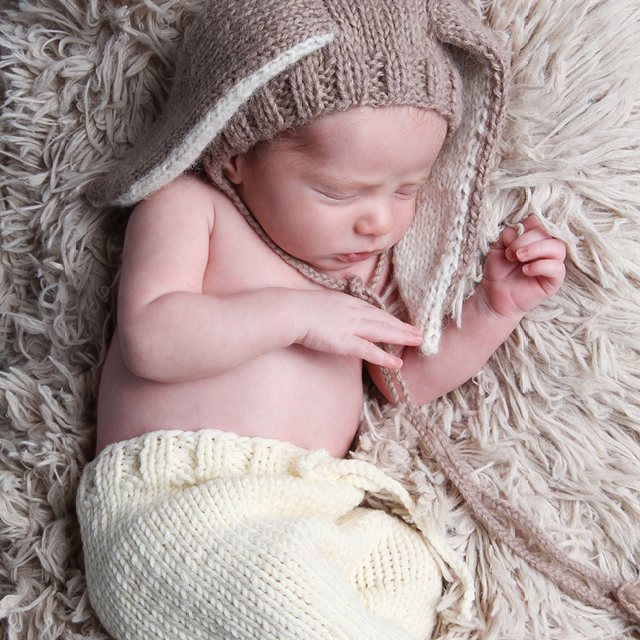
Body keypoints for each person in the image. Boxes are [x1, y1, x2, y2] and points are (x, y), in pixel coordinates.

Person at [75, 1, 567, 639]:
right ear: (235, 157)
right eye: (339, 192)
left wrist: (494, 309)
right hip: (182, 509)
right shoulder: (191, 207)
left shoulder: (361, 269)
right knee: (290, 598)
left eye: (407, 190)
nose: (379, 222)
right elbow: (153, 338)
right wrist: (300, 316)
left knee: (411, 576)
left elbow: (401, 384)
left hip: (326, 508)